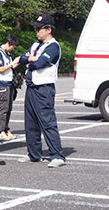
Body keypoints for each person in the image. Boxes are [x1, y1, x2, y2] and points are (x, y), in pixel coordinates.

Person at [17, 13, 66, 168]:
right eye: (36, 28)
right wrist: (29, 60)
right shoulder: (35, 45)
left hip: (44, 88)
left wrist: (30, 61)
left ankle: (57, 155)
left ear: (48, 29)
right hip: (31, 87)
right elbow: (22, 58)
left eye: (39, 28)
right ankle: (34, 154)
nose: (36, 31)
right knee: (30, 123)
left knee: (47, 122)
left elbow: (39, 64)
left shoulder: (53, 46)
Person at [0, 34, 20, 140]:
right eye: (13, 46)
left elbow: (9, 68)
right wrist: (12, 64)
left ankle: (5, 129)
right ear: (8, 43)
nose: (13, 49)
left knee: (8, 108)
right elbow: (1, 69)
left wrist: (16, 63)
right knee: (3, 108)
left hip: (9, 84)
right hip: (2, 84)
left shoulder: (7, 54)